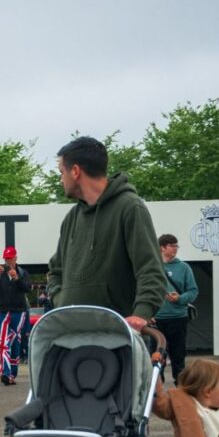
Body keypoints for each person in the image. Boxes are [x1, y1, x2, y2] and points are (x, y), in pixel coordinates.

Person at [47, 136, 167, 332]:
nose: (61, 180)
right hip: (71, 336)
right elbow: (55, 271)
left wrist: (141, 313)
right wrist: (61, 301)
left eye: (62, 172)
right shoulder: (71, 218)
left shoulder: (130, 207)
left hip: (117, 338)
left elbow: (151, 269)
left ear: (75, 171)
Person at [154, 234, 199, 384]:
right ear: (162, 247)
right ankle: (157, 395)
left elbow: (193, 291)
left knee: (178, 357)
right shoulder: (152, 266)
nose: (176, 249)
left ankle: (181, 392)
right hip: (156, 320)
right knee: (156, 358)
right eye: (173, 246)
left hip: (178, 318)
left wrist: (179, 298)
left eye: (176, 246)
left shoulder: (184, 267)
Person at [0, 247, 30, 386]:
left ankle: (12, 373)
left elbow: (28, 288)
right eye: (6, 258)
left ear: (16, 258)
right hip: (3, 311)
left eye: (10, 258)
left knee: (15, 340)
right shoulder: (0, 273)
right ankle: (5, 372)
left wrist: (17, 279)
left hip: (19, 310)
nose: (8, 261)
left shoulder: (23, 273)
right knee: (4, 340)